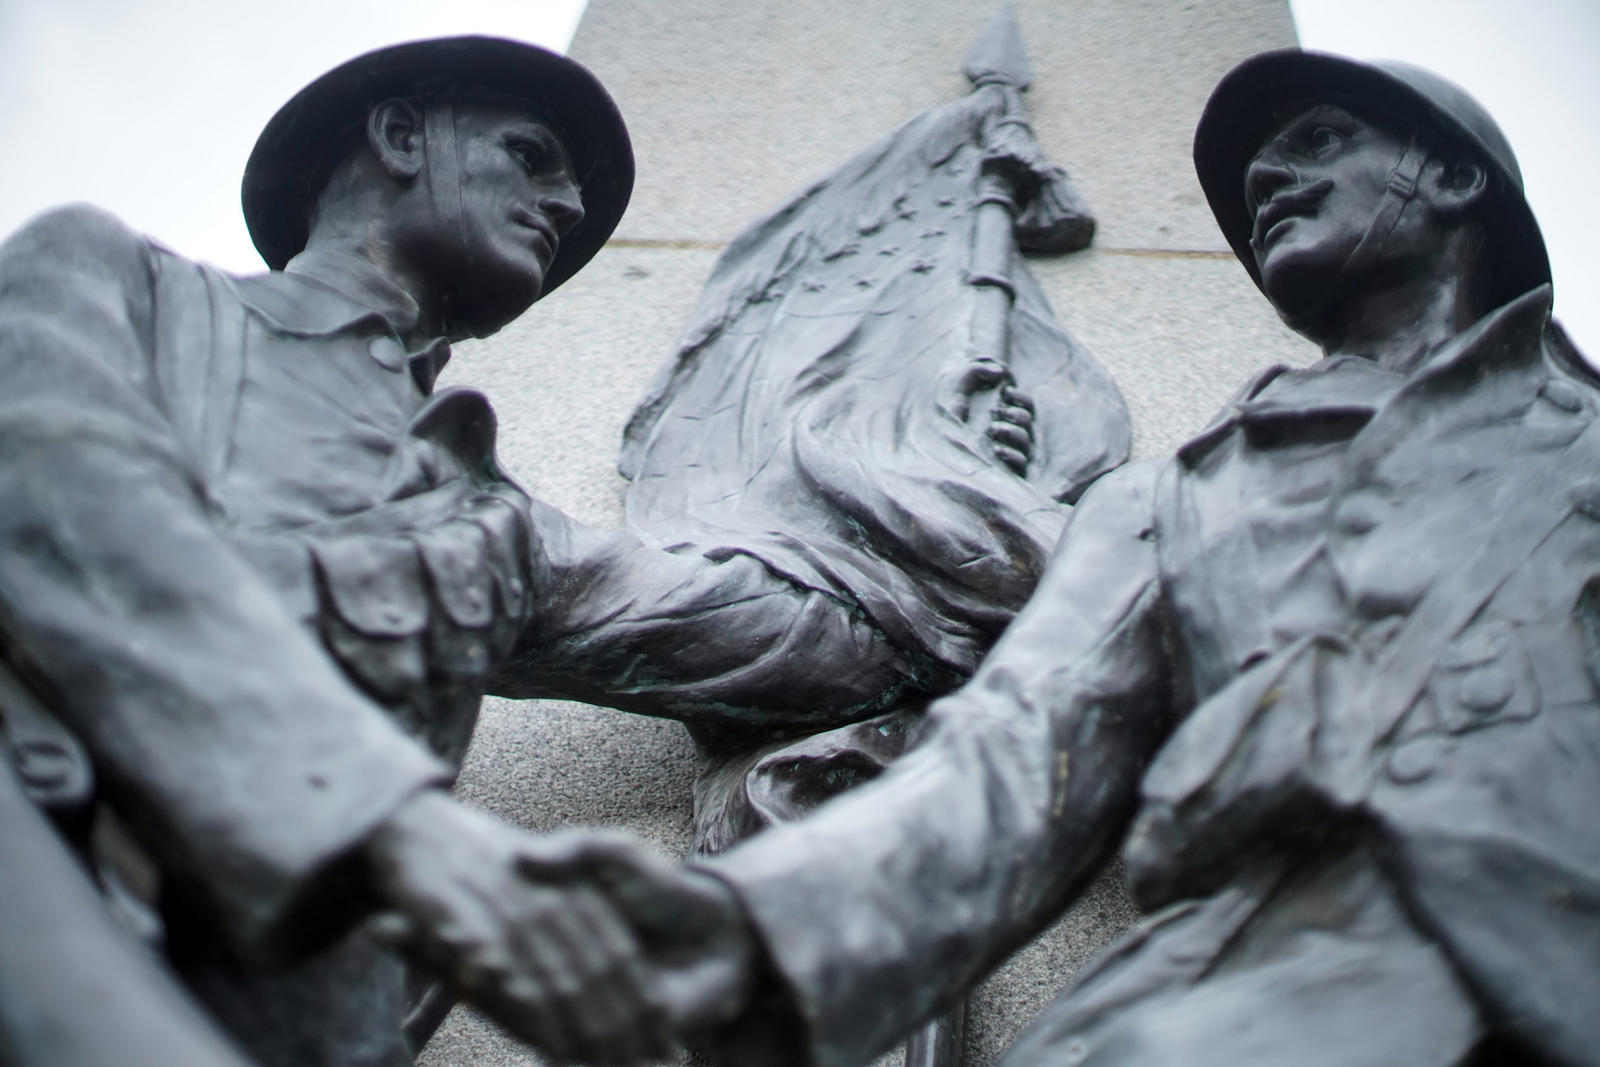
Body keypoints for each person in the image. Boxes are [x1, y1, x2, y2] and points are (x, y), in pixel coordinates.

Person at [551, 49, 1600, 1066]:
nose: (1271, 177)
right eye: (1257, 175)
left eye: (1321, 139)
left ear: (1455, 174)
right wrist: (738, 928)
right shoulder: (1170, 500)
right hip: (1241, 1009)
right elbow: (1009, 766)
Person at [0, 34, 930, 1067]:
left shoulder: (484, 514)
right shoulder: (121, 289)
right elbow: (70, 527)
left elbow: (795, 645)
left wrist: (977, 529)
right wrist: (401, 836)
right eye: (531, 155)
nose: (567, 205)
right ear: (401, 135)